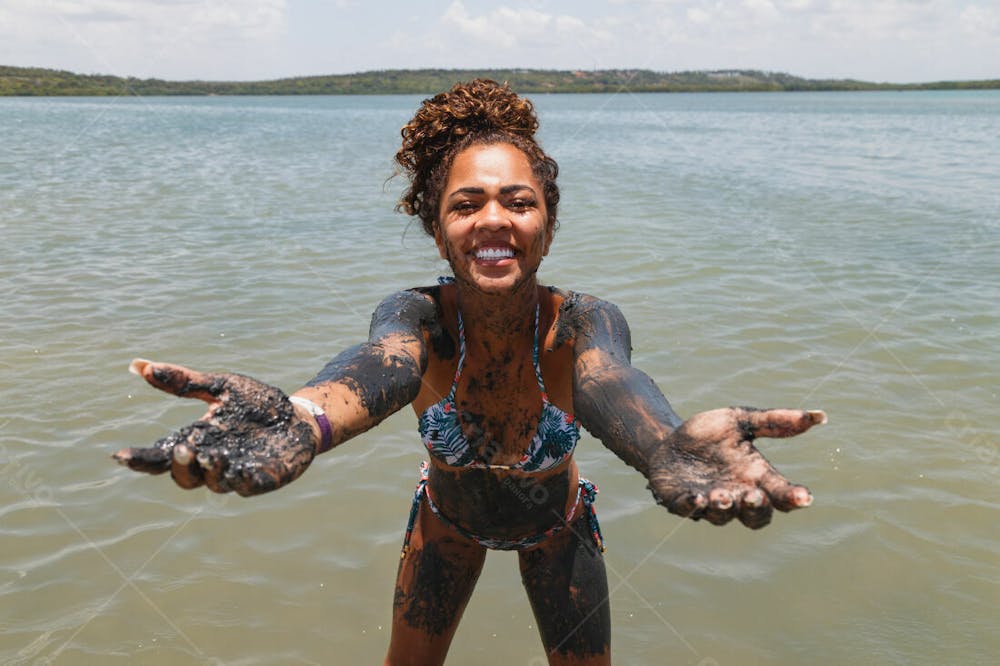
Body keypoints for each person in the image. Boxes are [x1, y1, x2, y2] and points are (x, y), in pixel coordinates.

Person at [114, 79, 826, 666]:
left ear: (548, 223)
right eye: (467, 204)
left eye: (519, 202)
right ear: (436, 227)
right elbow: (380, 369)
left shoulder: (583, 323)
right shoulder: (417, 317)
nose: (494, 220)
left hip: (560, 532)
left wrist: (666, 446)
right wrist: (305, 419)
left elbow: (612, 385)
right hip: (445, 527)